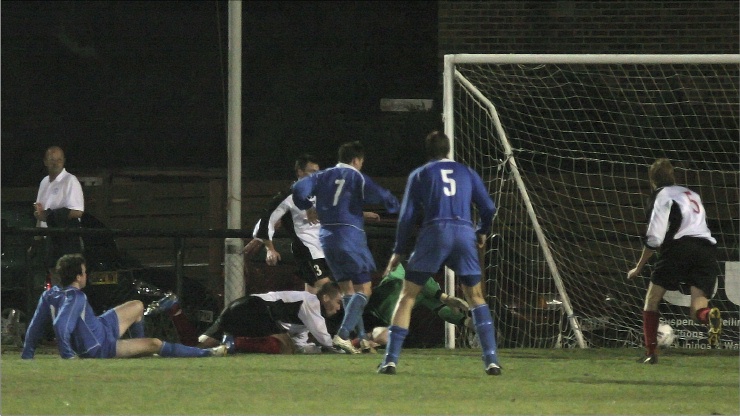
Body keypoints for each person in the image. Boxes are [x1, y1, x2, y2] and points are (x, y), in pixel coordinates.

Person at [378, 131, 501, 375]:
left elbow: (407, 216)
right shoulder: (466, 172)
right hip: (464, 233)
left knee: (408, 296)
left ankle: (390, 360)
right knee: (476, 297)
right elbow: (488, 207)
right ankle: (492, 361)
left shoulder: (420, 174)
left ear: (428, 151)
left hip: (434, 233)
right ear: (448, 149)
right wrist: (482, 230)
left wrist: (399, 251)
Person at [292, 141, 400, 354]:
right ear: (356, 160)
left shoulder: (321, 176)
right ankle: (342, 335)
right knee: (364, 289)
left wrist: (308, 207)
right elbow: (382, 195)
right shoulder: (355, 176)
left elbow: (298, 189)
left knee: (348, 290)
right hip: (349, 235)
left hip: (327, 237)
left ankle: (359, 338)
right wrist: (394, 206)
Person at [21, 254, 226, 359]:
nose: (86, 275)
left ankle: (138, 348)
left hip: (100, 327)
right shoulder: (77, 297)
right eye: (84, 272)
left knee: (137, 305)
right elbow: (61, 325)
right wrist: (68, 355)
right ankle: (207, 353)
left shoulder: (50, 294)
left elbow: (35, 326)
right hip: (100, 347)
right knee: (155, 343)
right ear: (78, 277)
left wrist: (27, 353)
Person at [627, 158, 722, 363]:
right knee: (697, 311)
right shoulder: (692, 194)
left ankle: (651, 353)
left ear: (652, 180)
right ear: (673, 176)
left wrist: (638, 266)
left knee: (651, 300)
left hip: (679, 248)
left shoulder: (662, 195)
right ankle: (709, 315)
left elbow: (655, 237)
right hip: (706, 249)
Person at [172, 282, 345, 354]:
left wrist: (316, 349)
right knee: (284, 347)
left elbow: (301, 345)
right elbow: (326, 340)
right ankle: (235, 343)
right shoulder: (312, 302)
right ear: (326, 298)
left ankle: (175, 311)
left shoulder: (308, 314)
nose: (339, 308)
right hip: (253, 308)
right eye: (338, 302)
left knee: (197, 348)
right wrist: (345, 348)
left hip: (240, 308)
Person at [245, 154, 331, 294]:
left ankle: (306, 315)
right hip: (306, 251)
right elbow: (268, 219)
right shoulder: (287, 197)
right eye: (312, 172)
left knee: (313, 297)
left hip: (325, 249)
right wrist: (269, 248)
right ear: (300, 172)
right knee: (328, 291)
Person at [359, 263, 472, 347]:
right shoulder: (402, 267)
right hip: (368, 311)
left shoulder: (430, 287)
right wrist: (445, 297)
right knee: (379, 334)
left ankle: (364, 341)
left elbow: (440, 309)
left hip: (387, 323)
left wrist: (465, 321)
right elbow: (411, 277)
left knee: (387, 337)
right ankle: (359, 338)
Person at [33, 146, 85, 283]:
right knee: (54, 283)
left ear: (64, 161)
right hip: (49, 242)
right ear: (45, 161)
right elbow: (40, 212)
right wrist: (36, 240)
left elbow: (78, 211)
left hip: (65, 241)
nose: (55, 163)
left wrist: (51, 216)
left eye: (59, 160)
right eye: (52, 160)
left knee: (68, 283)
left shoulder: (70, 180)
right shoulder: (44, 182)